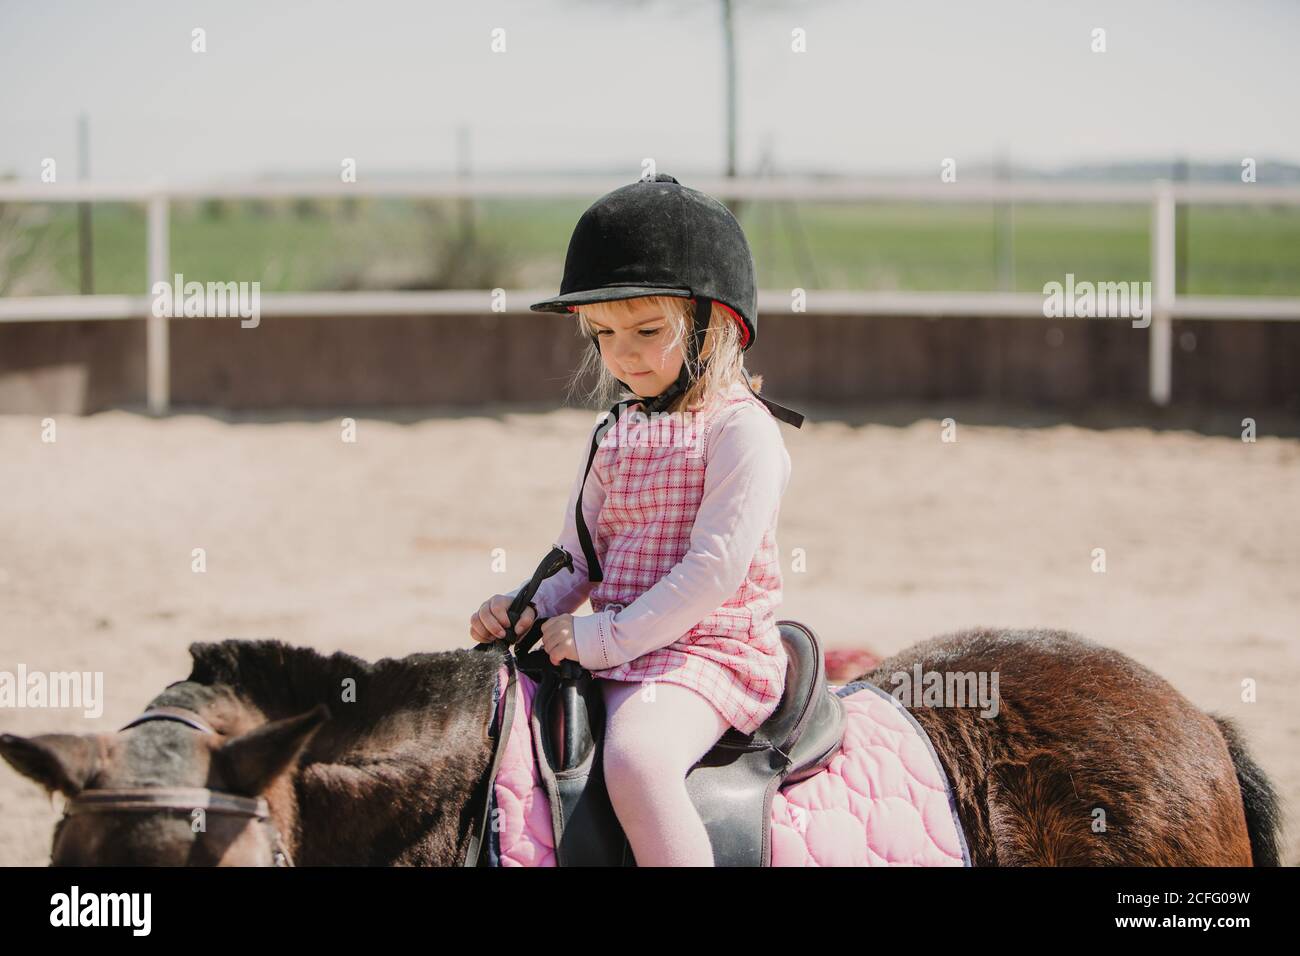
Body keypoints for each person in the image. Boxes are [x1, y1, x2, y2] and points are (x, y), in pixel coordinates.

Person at [469, 174, 804, 866]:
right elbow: (579, 557)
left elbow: (711, 573)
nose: (622, 354)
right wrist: (527, 608)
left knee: (638, 762)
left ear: (718, 324)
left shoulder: (743, 434)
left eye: (649, 331)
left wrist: (603, 637)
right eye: (605, 333)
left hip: (707, 654)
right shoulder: (614, 431)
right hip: (614, 641)